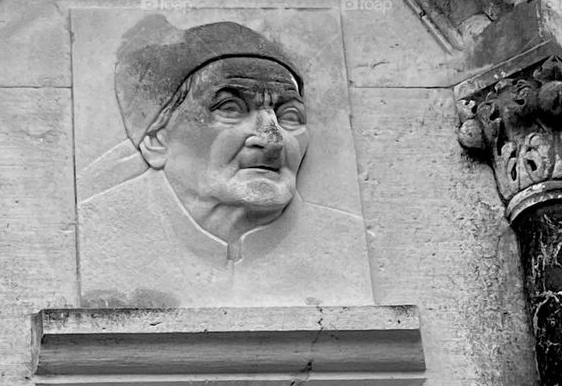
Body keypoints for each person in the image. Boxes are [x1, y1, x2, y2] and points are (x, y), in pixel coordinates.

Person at [78, 16, 372, 307]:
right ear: (155, 138)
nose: (272, 139)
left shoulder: (344, 243)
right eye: (230, 108)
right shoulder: (97, 233)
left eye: (289, 116)